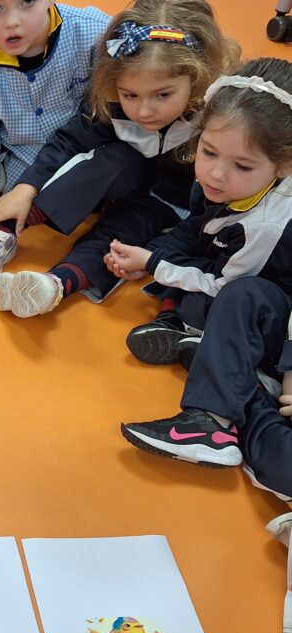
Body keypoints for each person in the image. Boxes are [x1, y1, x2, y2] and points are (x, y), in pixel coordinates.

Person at [0, 0, 238, 317]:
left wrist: (156, 255)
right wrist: (25, 189)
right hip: (125, 177)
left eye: (163, 94)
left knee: (121, 241)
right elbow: (70, 140)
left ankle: (53, 285)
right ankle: (6, 226)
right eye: (130, 95)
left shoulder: (218, 118)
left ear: (196, 78)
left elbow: (222, 205)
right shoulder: (111, 102)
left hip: (174, 207)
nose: (144, 110)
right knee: (109, 161)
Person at [114, 58, 292, 472]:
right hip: (248, 284)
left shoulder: (270, 226)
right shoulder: (226, 183)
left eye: (241, 166)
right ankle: (200, 339)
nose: (216, 173)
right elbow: (197, 228)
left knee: (230, 294)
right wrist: (153, 255)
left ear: (285, 165)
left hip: (271, 318)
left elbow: (227, 289)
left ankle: (211, 424)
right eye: (208, 152)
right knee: (179, 256)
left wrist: (155, 264)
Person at [0, 0, 109, 287]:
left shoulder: (94, 34)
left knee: (111, 167)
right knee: (0, 181)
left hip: (92, 152)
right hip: (25, 159)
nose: (12, 21)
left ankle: (15, 224)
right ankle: (4, 225)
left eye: (26, 2)